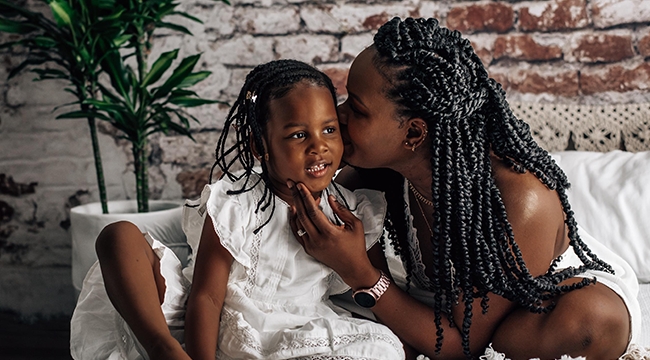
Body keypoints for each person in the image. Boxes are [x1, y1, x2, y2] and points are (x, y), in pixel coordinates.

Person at [287, 17, 642, 360]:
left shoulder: (522, 198)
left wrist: (361, 274)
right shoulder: (375, 169)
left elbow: (460, 344)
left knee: (585, 321)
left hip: (546, 297)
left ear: (413, 134)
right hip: (454, 311)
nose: (339, 115)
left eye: (358, 110)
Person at [69, 59, 405, 360]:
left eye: (329, 130)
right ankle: (165, 349)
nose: (319, 146)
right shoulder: (236, 202)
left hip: (300, 329)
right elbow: (207, 297)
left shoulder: (351, 210)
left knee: (382, 347)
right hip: (219, 321)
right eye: (299, 135)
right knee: (118, 236)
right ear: (261, 146)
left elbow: (373, 296)